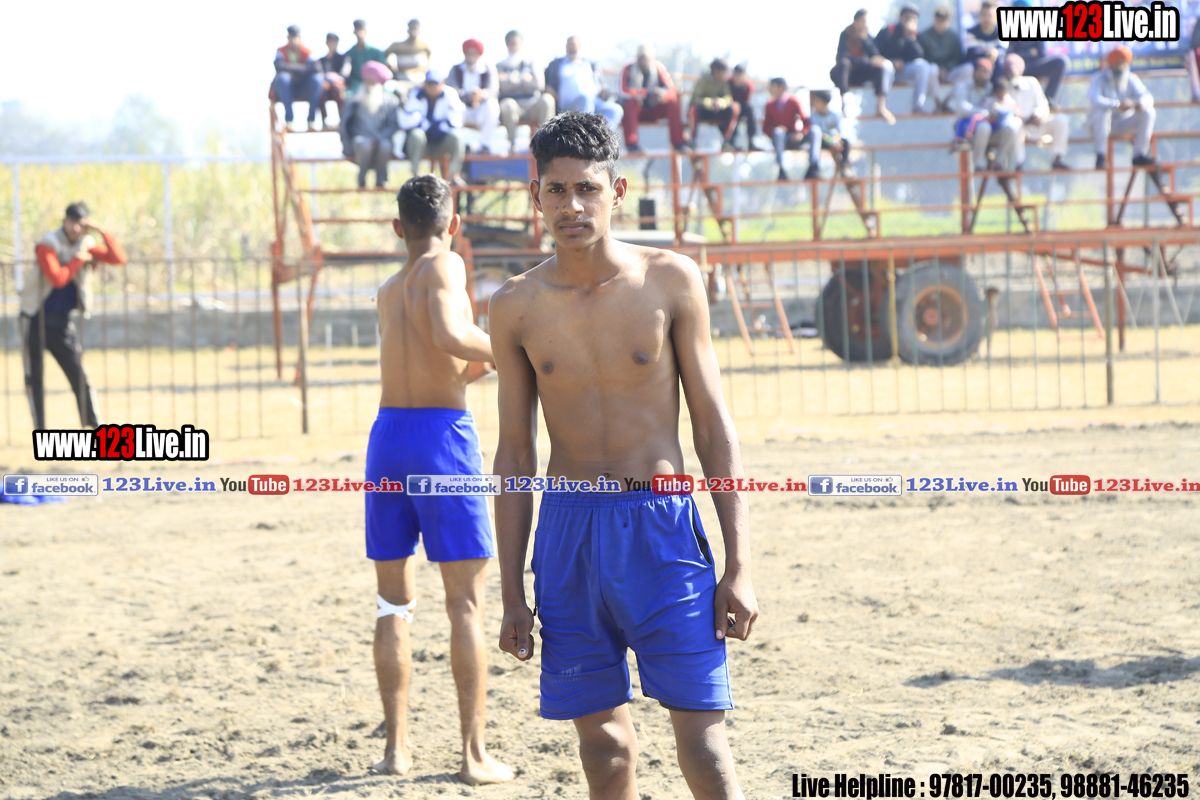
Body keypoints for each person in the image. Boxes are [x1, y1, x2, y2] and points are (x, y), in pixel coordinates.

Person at [489, 111, 758, 800]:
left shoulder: (671, 280)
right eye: (556, 190)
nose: (572, 206)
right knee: (605, 751)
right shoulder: (515, 305)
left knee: (705, 746)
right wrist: (512, 592)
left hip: (662, 529)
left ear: (617, 190)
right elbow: (514, 452)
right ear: (535, 196)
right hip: (568, 534)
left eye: (586, 188)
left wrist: (739, 565)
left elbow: (713, 425)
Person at [366, 173, 513, 786]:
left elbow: (441, 361)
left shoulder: (387, 289)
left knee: (392, 602)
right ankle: (473, 756)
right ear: (453, 224)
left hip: (387, 438)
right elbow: (451, 336)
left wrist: (485, 362)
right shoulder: (446, 264)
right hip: (441, 441)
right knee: (465, 604)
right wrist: (511, 349)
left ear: (397, 227)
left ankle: (396, 750)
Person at [21, 202, 126, 429]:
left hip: (61, 323)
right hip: (35, 318)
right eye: (72, 222)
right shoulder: (48, 243)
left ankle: (94, 427)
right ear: (64, 220)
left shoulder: (85, 244)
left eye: (81, 224)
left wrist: (100, 230)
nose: (76, 228)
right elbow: (57, 278)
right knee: (34, 379)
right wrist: (79, 259)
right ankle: (40, 431)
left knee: (79, 377)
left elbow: (118, 258)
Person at [1088, 46, 1156, 169]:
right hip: (1101, 125)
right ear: (1111, 64)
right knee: (1102, 113)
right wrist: (1117, 106)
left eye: (1123, 63)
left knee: (1148, 112)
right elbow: (1095, 100)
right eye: (1118, 63)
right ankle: (1100, 156)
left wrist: (1141, 103)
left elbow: (1147, 96)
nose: (1121, 67)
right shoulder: (1098, 78)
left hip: (1124, 122)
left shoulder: (1131, 78)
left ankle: (1139, 155)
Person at [950, 59, 1019, 172]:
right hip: (968, 129)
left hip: (993, 128)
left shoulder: (993, 88)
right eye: (979, 71)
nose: (981, 74)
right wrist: (984, 112)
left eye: (985, 72)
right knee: (984, 126)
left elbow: (1005, 103)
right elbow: (962, 110)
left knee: (1012, 127)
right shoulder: (964, 88)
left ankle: (999, 162)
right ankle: (978, 163)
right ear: (974, 72)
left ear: (989, 74)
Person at [1003, 54, 1070, 171]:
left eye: (1014, 67)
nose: (1012, 71)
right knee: (1015, 124)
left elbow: (1043, 105)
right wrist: (1022, 118)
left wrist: (1038, 115)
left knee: (1061, 119)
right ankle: (1019, 163)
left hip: (1037, 124)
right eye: (1009, 68)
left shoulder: (1032, 82)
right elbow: (1004, 111)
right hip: (1019, 128)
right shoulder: (1003, 87)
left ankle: (1057, 158)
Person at [401, 70, 468, 185]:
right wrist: (434, 125)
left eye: (436, 84)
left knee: (457, 137)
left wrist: (430, 126)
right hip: (422, 146)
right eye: (429, 84)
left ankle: (453, 176)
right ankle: (415, 177)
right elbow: (407, 122)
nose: (432, 87)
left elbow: (456, 122)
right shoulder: (416, 94)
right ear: (425, 84)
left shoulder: (450, 94)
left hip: (442, 144)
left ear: (443, 83)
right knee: (416, 135)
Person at [831, 9, 897, 125]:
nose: (866, 24)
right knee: (845, 64)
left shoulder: (866, 36)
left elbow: (875, 56)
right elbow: (843, 57)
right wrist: (866, 62)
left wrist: (865, 40)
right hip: (844, 75)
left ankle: (881, 106)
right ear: (856, 22)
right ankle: (844, 103)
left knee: (879, 67)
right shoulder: (845, 34)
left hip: (859, 74)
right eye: (863, 21)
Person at [341, 62, 401, 188]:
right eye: (367, 80)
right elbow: (345, 126)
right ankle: (361, 180)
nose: (369, 84)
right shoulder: (353, 100)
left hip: (381, 139)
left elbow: (393, 125)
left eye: (372, 81)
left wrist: (378, 138)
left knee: (386, 146)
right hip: (359, 140)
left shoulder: (391, 101)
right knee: (363, 144)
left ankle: (381, 181)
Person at [544, 37, 623, 131]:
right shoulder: (556, 64)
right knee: (585, 99)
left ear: (580, 46)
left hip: (595, 101)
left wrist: (604, 92)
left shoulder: (591, 64)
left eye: (574, 44)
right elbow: (548, 86)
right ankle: (585, 137)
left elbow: (602, 85)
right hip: (570, 105)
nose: (571, 47)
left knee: (616, 109)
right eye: (569, 44)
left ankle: (601, 136)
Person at [620, 43, 689, 152]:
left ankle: (678, 143)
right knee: (630, 104)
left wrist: (661, 95)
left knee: (673, 103)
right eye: (641, 58)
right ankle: (632, 144)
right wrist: (647, 93)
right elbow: (624, 91)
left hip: (655, 109)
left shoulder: (658, 68)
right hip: (636, 111)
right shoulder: (628, 68)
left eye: (646, 59)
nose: (643, 62)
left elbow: (671, 90)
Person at [496, 30, 555, 154]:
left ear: (521, 44)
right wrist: (524, 80)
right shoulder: (500, 65)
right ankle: (512, 145)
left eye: (516, 43)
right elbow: (500, 87)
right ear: (507, 45)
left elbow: (539, 84)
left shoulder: (531, 62)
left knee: (547, 100)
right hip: (513, 105)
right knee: (507, 104)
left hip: (532, 103)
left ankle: (546, 143)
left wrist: (510, 80)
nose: (513, 46)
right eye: (511, 43)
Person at [875, 4, 938, 113]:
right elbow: (876, 54)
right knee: (887, 66)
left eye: (913, 19)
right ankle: (882, 107)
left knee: (923, 66)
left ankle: (918, 106)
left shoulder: (915, 35)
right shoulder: (888, 31)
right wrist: (894, 62)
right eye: (907, 18)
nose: (910, 21)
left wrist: (910, 37)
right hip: (887, 71)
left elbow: (918, 56)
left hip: (905, 72)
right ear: (901, 18)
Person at [1007, 0, 1069, 106]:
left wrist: (1024, 55)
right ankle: (1009, 102)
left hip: (1035, 66)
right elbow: (1009, 55)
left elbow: (1041, 54)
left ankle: (1048, 101)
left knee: (1061, 62)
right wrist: (1030, 53)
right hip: (1017, 69)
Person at [447, 39, 502, 154]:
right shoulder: (455, 69)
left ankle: (485, 144)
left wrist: (481, 94)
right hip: (462, 108)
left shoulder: (488, 69)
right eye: (469, 53)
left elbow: (493, 91)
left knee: (492, 105)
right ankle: (460, 145)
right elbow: (451, 90)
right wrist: (469, 96)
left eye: (474, 53)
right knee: (452, 107)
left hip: (481, 108)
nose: (471, 56)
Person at [272, 25, 323, 132]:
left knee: (316, 80)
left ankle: (311, 120)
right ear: (288, 38)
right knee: (283, 79)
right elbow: (279, 67)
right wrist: (303, 69)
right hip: (287, 89)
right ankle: (289, 120)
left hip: (303, 87)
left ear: (300, 38)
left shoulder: (307, 52)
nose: (294, 40)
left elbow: (316, 68)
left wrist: (291, 69)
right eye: (292, 37)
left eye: (296, 37)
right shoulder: (281, 51)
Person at [762, 78, 810, 181]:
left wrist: (801, 133)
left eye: (772, 86)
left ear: (781, 88)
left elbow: (806, 122)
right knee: (778, 133)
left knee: (815, 132)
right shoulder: (769, 105)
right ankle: (781, 169)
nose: (769, 89)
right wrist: (776, 130)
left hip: (794, 138)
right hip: (779, 139)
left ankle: (813, 168)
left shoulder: (793, 102)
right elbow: (766, 128)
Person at [690, 58, 740, 151]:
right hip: (704, 112)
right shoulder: (703, 79)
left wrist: (720, 103)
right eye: (723, 72)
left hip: (718, 111)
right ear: (715, 70)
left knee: (735, 107)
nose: (725, 75)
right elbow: (695, 99)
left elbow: (728, 97)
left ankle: (726, 141)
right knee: (694, 108)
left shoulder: (723, 82)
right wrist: (710, 102)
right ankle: (694, 140)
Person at [804, 90, 852, 179]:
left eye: (817, 101)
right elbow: (819, 134)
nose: (815, 104)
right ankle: (815, 168)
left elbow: (840, 131)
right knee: (814, 143)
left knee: (846, 142)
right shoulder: (813, 115)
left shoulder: (835, 115)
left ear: (825, 103)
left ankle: (844, 168)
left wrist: (836, 140)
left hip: (834, 139)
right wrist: (832, 141)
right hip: (822, 141)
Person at [386, 19, 434, 102]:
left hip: (420, 82)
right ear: (408, 30)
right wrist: (390, 66)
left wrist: (425, 69)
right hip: (402, 81)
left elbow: (429, 61)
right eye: (411, 28)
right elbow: (385, 55)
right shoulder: (397, 46)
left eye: (416, 29)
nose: (413, 32)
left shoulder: (425, 47)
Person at [314, 33, 351, 129]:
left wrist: (336, 77)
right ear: (327, 43)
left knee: (336, 87)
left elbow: (345, 73)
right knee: (322, 88)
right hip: (326, 85)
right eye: (331, 42)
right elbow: (319, 73)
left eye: (335, 42)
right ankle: (325, 121)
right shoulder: (321, 60)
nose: (333, 44)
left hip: (338, 84)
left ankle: (342, 120)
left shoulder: (344, 58)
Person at [918, 6, 963, 82]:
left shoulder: (954, 37)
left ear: (949, 21)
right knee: (933, 69)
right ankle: (934, 91)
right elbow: (922, 57)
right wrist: (938, 69)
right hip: (931, 72)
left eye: (943, 21)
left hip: (950, 72)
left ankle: (955, 91)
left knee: (968, 69)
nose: (940, 24)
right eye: (937, 21)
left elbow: (958, 58)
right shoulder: (924, 35)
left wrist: (947, 68)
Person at [347, 20, 387, 94]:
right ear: (354, 32)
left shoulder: (376, 52)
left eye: (361, 30)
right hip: (355, 88)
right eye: (357, 30)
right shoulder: (349, 54)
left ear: (366, 31)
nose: (359, 34)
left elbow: (383, 72)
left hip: (375, 86)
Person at [728, 64, 759, 150]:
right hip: (731, 109)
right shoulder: (728, 83)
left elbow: (746, 101)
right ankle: (732, 141)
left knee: (750, 108)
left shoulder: (748, 85)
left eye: (740, 74)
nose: (738, 77)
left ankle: (751, 140)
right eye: (736, 74)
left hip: (742, 108)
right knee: (733, 109)